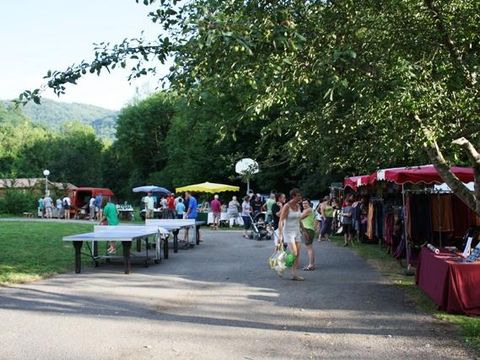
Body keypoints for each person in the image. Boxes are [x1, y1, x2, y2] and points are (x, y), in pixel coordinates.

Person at [278, 188, 304, 281]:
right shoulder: (287, 206)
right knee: (294, 252)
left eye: (300, 195)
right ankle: (281, 265)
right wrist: (280, 235)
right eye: (298, 196)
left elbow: (299, 219)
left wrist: (304, 230)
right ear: (293, 196)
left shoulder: (298, 206)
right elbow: (281, 220)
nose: (300, 197)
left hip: (297, 231)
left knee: (297, 254)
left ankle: (294, 274)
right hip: (288, 232)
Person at [300, 198, 315, 271]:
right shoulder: (307, 210)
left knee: (309, 248)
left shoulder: (308, 210)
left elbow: (299, 218)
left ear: (309, 204)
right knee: (309, 248)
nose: (304, 205)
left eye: (306, 203)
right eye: (303, 203)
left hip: (307, 229)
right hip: (308, 229)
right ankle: (311, 264)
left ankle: (311, 265)